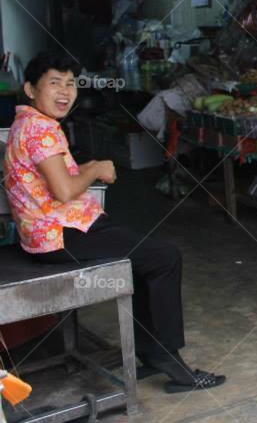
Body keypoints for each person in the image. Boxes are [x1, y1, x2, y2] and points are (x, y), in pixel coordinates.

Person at [4, 51, 225, 393]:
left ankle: (153, 352)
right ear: (31, 89)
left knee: (144, 259)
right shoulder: (39, 131)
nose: (65, 91)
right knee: (165, 258)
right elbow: (63, 190)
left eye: (71, 84)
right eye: (54, 83)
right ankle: (167, 358)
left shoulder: (28, 122)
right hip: (60, 236)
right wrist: (93, 168)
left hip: (55, 231)